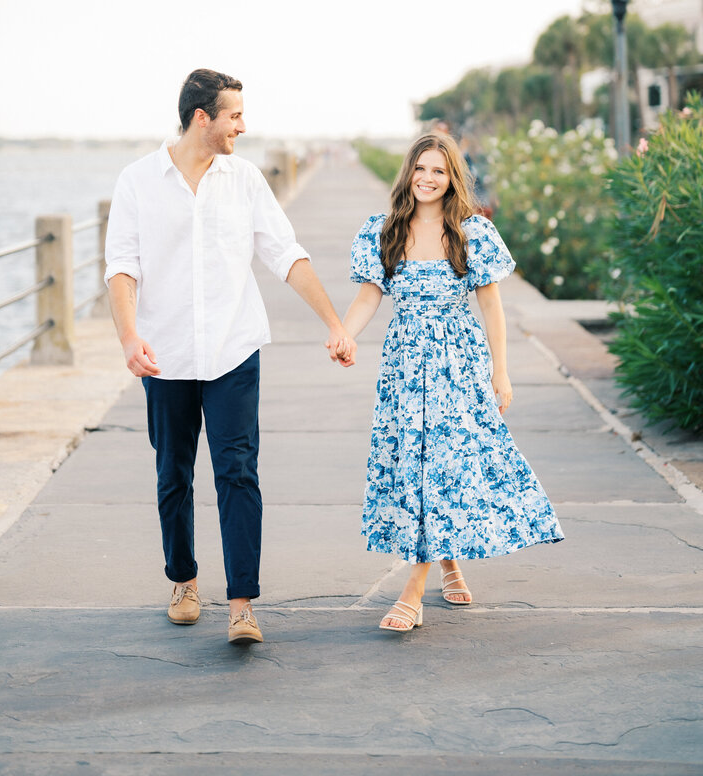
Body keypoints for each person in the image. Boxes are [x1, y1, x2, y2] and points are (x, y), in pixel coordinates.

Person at [105, 69, 356, 645]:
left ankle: (241, 603)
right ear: (202, 117)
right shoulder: (138, 180)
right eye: (235, 115)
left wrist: (334, 322)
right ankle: (184, 580)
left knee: (239, 473)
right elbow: (122, 265)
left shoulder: (244, 180)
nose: (244, 125)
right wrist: (128, 337)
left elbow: (285, 254)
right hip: (164, 355)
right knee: (173, 473)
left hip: (233, 351)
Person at [338, 132, 563, 632]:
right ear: (408, 172)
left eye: (438, 170)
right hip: (402, 367)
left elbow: (492, 309)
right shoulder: (385, 231)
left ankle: (412, 592)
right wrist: (344, 335)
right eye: (420, 168)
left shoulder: (472, 234)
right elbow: (370, 296)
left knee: (444, 465)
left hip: (456, 366)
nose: (427, 178)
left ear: (452, 177)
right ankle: (447, 561)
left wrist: (500, 373)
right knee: (414, 467)